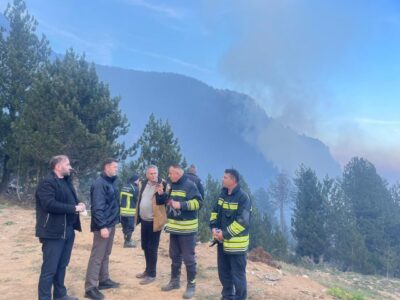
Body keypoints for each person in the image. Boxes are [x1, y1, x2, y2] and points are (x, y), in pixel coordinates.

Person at [35, 155, 86, 300]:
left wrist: (80, 204)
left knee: (62, 265)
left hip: (68, 230)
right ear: (58, 166)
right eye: (67, 164)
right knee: (49, 269)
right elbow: (49, 204)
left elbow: (70, 201)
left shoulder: (66, 182)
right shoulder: (47, 183)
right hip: (52, 232)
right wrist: (74, 208)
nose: (70, 167)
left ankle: (60, 295)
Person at [157, 164, 202, 299]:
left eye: (171, 173)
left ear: (177, 173)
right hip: (174, 229)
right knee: (174, 256)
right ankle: (175, 281)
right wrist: (162, 194)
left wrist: (181, 205)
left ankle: (191, 285)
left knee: (189, 259)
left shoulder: (190, 185)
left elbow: (199, 203)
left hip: (187, 230)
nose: (169, 176)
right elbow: (170, 202)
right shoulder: (173, 185)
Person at [210, 169, 251, 300]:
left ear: (233, 180)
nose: (222, 179)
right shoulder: (222, 195)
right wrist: (214, 228)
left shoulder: (243, 198)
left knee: (238, 276)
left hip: (236, 246)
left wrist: (225, 234)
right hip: (222, 243)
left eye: (225, 177)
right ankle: (227, 296)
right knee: (224, 274)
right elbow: (214, 212)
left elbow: (242, 222)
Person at [84, 158, 120, 300]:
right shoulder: (99, 184)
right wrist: (102, 226)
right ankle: (90, 288)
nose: (116, 169)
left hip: (110, 223)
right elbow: (97, 207)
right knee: (97, 256)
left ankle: (103, 280)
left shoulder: (110, 182)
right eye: (114, 167)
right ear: (106, 167)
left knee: (106, 253)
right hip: (103, 225)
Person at [135, 165, 168, 285]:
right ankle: (147, 270)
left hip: (155, 221)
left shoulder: (163, 184)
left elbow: (166, 200)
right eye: (151, 174)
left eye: (155, 173)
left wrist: (161, 193)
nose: (154, 176)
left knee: (152, 248)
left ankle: (152, 274)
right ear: (147, 175)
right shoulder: (143, 184)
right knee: (145, 246)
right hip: (144, 221)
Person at [119, 174, 139, 248]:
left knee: (124, 226)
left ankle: (126, 239)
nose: (138, 181)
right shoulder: (134, 188)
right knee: (130, 227)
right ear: (135, 180)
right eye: (138, 180)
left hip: (122, 211)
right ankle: (128, 242)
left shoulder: (124, 186)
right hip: (130, 211)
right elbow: (137, 199)